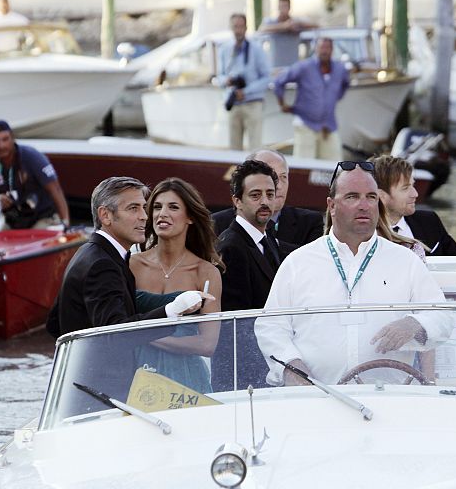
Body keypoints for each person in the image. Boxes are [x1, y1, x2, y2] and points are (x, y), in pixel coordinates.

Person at [256, 161, 451, 387]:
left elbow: (443, 318)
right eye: (352, 197)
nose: (364, 205)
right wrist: (290, 366)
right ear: (332, 205)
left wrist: (414, 323)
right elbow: (270, 327)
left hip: (391, 401)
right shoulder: (298, 263)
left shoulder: (406, 261)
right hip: (316, 398)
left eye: (371, 197)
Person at [47, 176, 211, 338]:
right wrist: (171, 310)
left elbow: (54, 324)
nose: (144, 216)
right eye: (133, 208)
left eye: (144, 207)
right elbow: (116, 333)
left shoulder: (87, 252)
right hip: (102, 365)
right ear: (105, 215)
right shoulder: (102, 264)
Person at [129, 178, 224, 393]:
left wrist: (144, 336)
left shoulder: (206, 272)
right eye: (157, 207)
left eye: (173, 207)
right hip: (136, 375)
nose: (162, 214)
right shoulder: (132, 264)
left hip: (187, 379)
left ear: (190, 217)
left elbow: (207, 345)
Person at [212, 149, 323, 247]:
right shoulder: (217, 224)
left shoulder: (309, 223)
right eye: (270, 177)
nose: (278, 186)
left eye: (283, 177)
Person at [216, 159, 285, 311]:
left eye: (270, 194)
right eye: (255, 195)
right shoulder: (230, 248)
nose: (265, 202)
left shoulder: (268, 240)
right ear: (237, 201)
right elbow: (234, 317)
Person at [0, 120, 71, 230]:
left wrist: (66, 222)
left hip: (42, 217)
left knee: (38, 243)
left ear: (12, 138)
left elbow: (55, 189)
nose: (1, 145)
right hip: (13, 221)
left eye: (5, 139)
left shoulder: (31, 157)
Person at [371, 155, 456, 256]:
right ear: (381, 196)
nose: (415, 194)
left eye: (413, 185)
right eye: (405, 188)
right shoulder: (364, 235)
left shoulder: (429, 221)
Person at [273, 36, 349, 161]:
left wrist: (335, 98)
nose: (324, 51)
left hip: (328, 124)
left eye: (327, 48)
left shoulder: (340, 69)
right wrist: (282, 104)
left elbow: (345, 84)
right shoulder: (304, 67)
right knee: (304, 166)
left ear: (332, 50)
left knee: (334, 165)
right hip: (306, 124)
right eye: (321, 48)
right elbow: (279, 82)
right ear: (316, 49)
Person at [215, 13, 271, 151]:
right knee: (234, 148)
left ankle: (255, 172)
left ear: (246, 27)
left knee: (255, 147)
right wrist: (226, 81)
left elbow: (266, 77)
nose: (238, 30)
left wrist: (246, 91)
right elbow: (219, 76)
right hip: (233, 102)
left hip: (252, 102)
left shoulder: (256, 49)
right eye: (235, 26)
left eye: (241, 26)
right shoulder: (225, 49)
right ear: (231, 27)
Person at [258, 0, 317, 68]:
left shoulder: (296, 22)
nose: (282, 9)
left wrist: (298, 24)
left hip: (293, 68)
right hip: (276, 68)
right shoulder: (271, 22)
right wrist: (284, 26)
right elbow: (261, 29)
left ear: (289, 7)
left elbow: (316, 25)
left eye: (285, 6)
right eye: (281, 6)